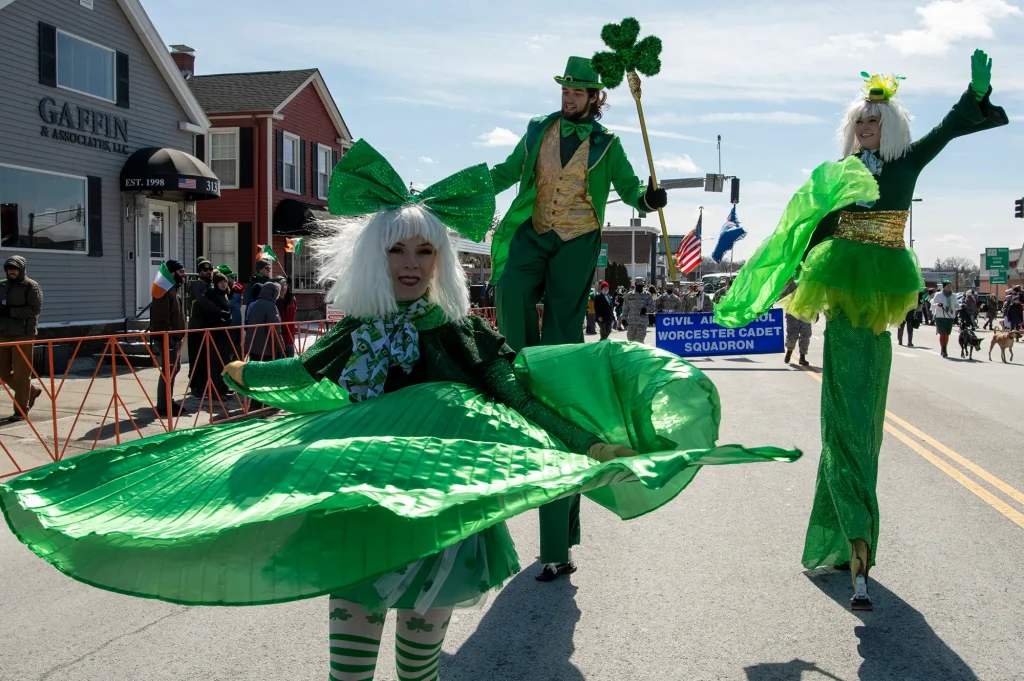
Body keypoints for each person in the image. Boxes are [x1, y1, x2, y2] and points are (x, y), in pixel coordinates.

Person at [0, 140, 800, 681]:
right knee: (349, 655)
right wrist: (244, 368)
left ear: (443, 262)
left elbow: (516, 391)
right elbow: (303, 369)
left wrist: (585, 443)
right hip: (355, 509)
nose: (412, 264)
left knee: (418, 659)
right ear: (373, 256)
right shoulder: (355, 330)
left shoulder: (459, 332)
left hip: (438, 520)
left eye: (426, 252)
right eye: (397, 250)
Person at [715, 51, 1007, 610]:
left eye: (874, 120)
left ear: (889, 127)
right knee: (846, 419)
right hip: (844, 299)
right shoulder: (839, 179)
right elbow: (804, 231)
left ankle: (848, 535)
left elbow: (947, 131)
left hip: (882, 300)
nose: (865, 128)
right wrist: (779, 279)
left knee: (862, 424)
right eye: (859, 122)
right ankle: (856, 542)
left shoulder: (904, 166)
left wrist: (974, 96)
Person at [488, 56, 667, 580]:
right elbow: (503, 173)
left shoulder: (609, 146)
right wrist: (463, 192)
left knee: (562, 336)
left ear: (595, 97)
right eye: (565, 90)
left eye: (577, 92)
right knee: (512, 284)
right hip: (533, 230)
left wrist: (648, 197)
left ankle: (551, 362)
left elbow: (633, 188)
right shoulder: (538, 129)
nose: (568, 98)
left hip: (576, 239)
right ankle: (513, 359)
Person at [0, 255, 43, 422]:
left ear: (21, 269)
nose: (12, 271)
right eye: (9, 268)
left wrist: (10, 312)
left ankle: (21, 410)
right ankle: (30, 391)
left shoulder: (31, 286)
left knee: (21, 373)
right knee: (3, 372)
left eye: (15, 268)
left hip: (23, 334)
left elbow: (34, 309)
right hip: (3, 333)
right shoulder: (2, 286)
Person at [150, 259, 190, 416]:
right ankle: (163, 405)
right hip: (168, 337)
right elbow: (162, 317)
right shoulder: (163, 290)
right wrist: (169, 337)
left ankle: (168, 400)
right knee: (169, 370)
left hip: (175, 336)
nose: (184, 275)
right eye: (181, 272)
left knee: (173, 369)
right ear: (172, 272)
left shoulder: (172, 288)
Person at [190, 270, 234, 399]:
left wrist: (228, 317)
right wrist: (219, 317)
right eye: (221, 282)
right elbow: (209, 311)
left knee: (224, 360)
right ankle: (214, 390)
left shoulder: (225, 295)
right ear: (216, 283)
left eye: (225, 282)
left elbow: (228, 309)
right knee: (214, 362)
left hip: (224, 332)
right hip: (214, 332)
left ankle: (223, 387)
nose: (223, 284)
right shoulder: (212, 294)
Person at [187, 260, 215, 398]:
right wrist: (218, 310)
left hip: (206, 326)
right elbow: (203, 302)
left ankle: (204, 384)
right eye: (205, 270)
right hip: (196, 327)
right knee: (197, 358)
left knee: (205, 358)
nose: (208, 272)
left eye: (210, 269)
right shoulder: (198, 285)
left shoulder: (209, 284)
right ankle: (195, 386)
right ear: (200, 272)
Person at [245, 281, 283, 361]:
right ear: (275, 293)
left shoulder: (255, 304)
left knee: (256, 371)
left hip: (252, 348)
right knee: (267, 372)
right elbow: (274, 329)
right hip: (266, 349)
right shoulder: (271, 307)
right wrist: (281, 347)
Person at [932, 280, 960, 358]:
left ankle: (943, 347)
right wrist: (938, 304)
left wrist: (961, 306)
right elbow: (933, 304)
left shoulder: (953, 296)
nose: (949, 287)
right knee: (942, 333)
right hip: (940, 316)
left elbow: (956, 305)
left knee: (947, 334)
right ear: (944, 286)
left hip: (950, 316)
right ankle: (944, 350)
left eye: (950, 286)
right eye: (948, 286)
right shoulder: (938, 295)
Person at [622, 278, 655, 343]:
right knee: (631, 341)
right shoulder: (629, 295)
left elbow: (652, 306)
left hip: (642, 323)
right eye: (639, 284)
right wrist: (623, 319)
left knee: (639, 342)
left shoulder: (647, 295)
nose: (640, 286)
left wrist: (646, 309)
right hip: (631, 323)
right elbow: (625, 308)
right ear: (636, 284)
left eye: (642, 284)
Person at [275, 277, 298, 357]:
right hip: (279, 337)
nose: (284, 288)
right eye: (281, 286)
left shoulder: (291, 299)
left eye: (285, 285)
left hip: (290, 336)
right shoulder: (274, 301)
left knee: (290, 361)